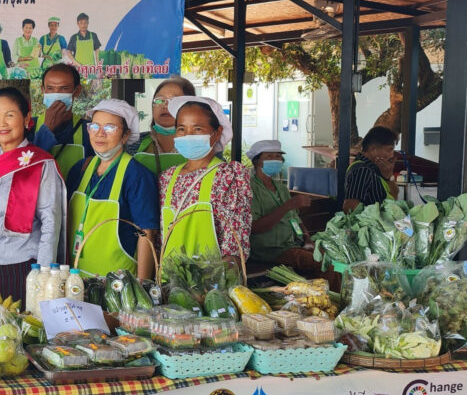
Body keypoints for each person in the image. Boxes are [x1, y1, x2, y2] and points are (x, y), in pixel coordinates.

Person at [0, 88, 65, 302]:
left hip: (25, 268)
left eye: (9, 115)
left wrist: (43, 275)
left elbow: (51, 222)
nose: (2, 123)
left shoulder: (42, 163)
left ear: (27, 118)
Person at [65, 99, 159, 279]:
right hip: (76, 278)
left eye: (109, 128)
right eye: (94, 126)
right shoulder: (80, 168)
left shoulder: (137, 175)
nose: (100, 133)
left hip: (118, 283)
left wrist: (141, 286)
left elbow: (146, 233)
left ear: (125, 135)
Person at [160, 96, 252, 266]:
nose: (187, 135)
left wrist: (216, 283)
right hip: (169, 282)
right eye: (181, 129)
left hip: (212, 284)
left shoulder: (228, 176)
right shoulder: (168, 177)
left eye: (197, 129)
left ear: (216, 134)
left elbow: (235, 242)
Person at [248, 140, 328, 274]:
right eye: (269, 156)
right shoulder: (250, 188)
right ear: (257, 162)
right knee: (321, 264)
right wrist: (288, 206)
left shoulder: (281, 188)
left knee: (330, 257)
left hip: (293, 245)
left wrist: (307, 239)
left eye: (278, 156)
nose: (276, 159)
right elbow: (255, 227)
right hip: (269, 251)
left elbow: (294, 219)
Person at [31, 63, 90, 178]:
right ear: (43, 90)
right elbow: (24, 167)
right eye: (50, 88)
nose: (56, 95)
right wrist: (47, 128)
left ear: (77, 91)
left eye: (64, 88)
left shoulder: (89, 130)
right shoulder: (28, 127)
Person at [130, 76, 195, 175]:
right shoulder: (133, 144)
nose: (165, 105)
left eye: (174, 101)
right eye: (159, 100)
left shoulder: (203, 146)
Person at [344, 125, 399, 213]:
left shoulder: (375, 169)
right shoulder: (363, 170)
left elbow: (394, 195)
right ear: (373, 149)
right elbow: (350, 207)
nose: (391, 155)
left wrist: (388, 177)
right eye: (389, 150)